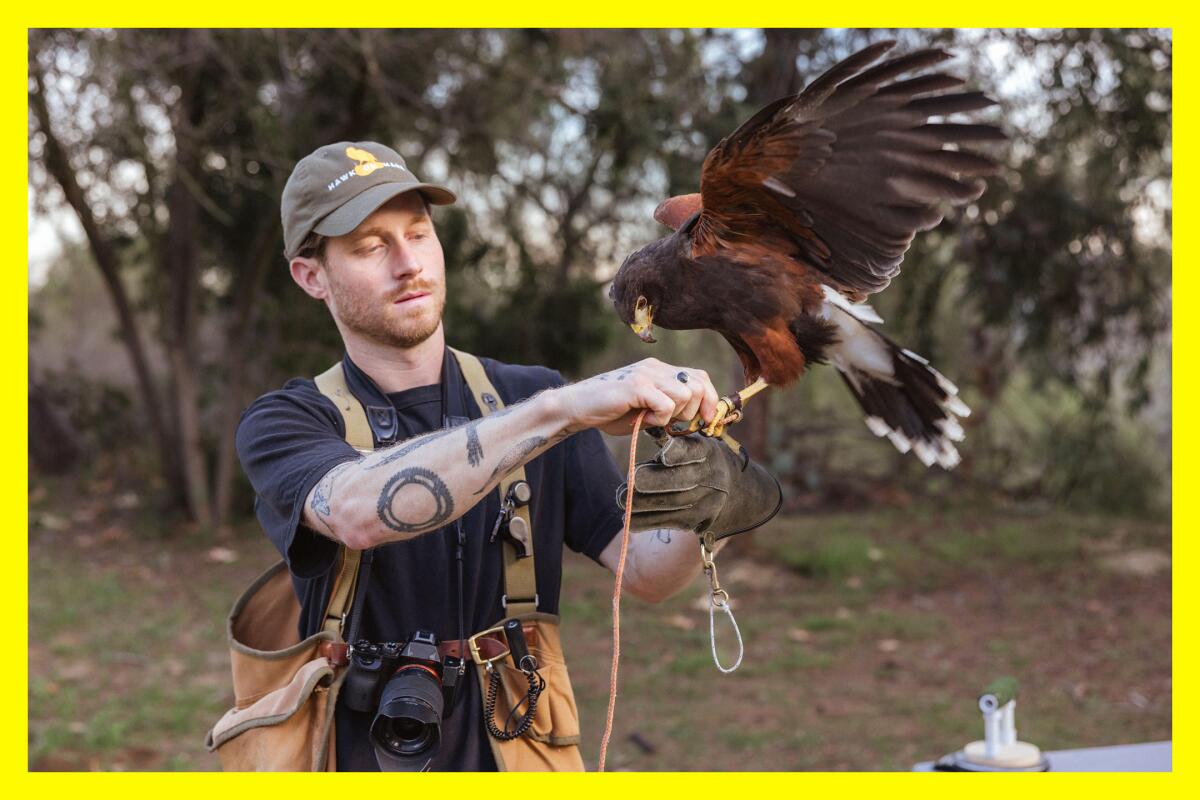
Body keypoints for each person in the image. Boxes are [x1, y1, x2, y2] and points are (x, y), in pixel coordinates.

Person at [234, 141, 782, 771]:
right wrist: (561, 410)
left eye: (418, 233)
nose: (408, 263)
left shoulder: (530, 392)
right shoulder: (288, 420)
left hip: (523, 743)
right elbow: (358, 511)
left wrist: (712, 506)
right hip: (352, 752)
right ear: (312, 276)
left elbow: (649, 573)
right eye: (369, 246)